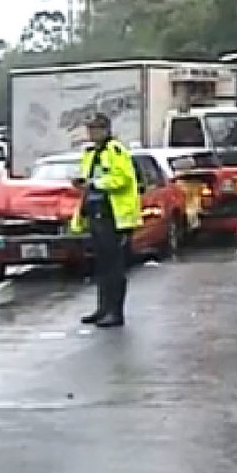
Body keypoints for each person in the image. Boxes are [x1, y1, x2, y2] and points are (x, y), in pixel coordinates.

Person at [71, 113, 141, 328]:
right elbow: (88, 180)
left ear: (106, 130)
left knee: (114, 266)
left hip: (114, 216)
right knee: (101, 265)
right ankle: (103, 308)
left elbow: (123, 179)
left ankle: (115, 312)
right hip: (96, 213)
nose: (92, 134)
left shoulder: (116, 151)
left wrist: (96, 183)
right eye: (90, 129)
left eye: (96, 129)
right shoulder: (91, 153)